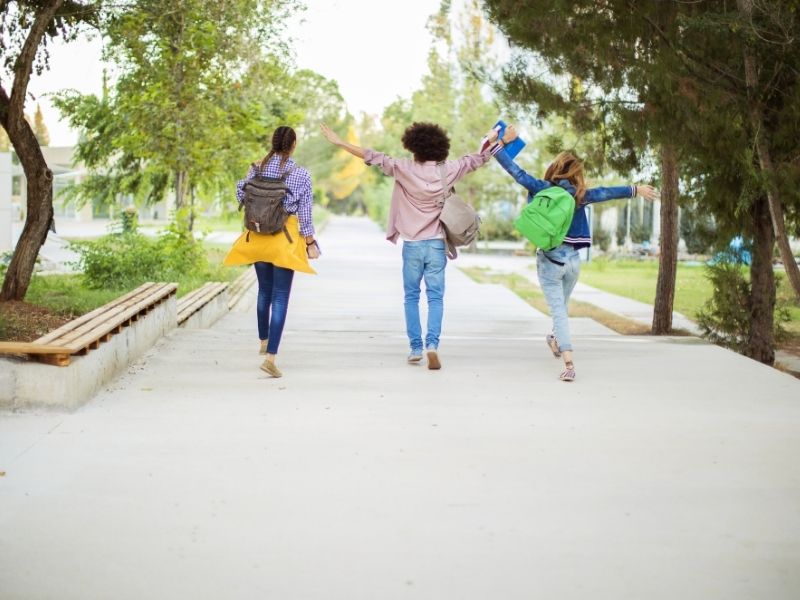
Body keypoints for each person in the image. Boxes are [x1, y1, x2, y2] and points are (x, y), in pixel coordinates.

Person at [320, 122, 496, 370]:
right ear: (441, 147)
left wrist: (340, 142)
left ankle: (415, 348)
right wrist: (493, 140)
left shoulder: (403, 168)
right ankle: (432, 345)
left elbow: (372, 155)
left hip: (412, 245)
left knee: (411, 297)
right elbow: (477, 159)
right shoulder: (449, 170)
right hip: (436, 244)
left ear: (413, 146)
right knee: (435, 297)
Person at [489, 125, 659, 382]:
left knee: (559, 311)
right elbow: (606, 192)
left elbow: (516, 172)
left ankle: (568, 363)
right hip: (573, 263)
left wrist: (496, 146)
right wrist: (635, 190)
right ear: (577, 174)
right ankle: (555, 339)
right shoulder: (580, 195)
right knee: (562, 309)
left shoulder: (541, 187)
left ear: (555, 170)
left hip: (550, 260)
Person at [224, 125, 320, 378]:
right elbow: (305, 215)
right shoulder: (300, 174)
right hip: (284, 240)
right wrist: (310, 243)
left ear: (273, 142)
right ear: (293, 144)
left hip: (257, 236)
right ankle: (271, 357)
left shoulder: (256, 167)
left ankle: (263, 339)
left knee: (264, 291)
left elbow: (240, 192)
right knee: (280, 297)